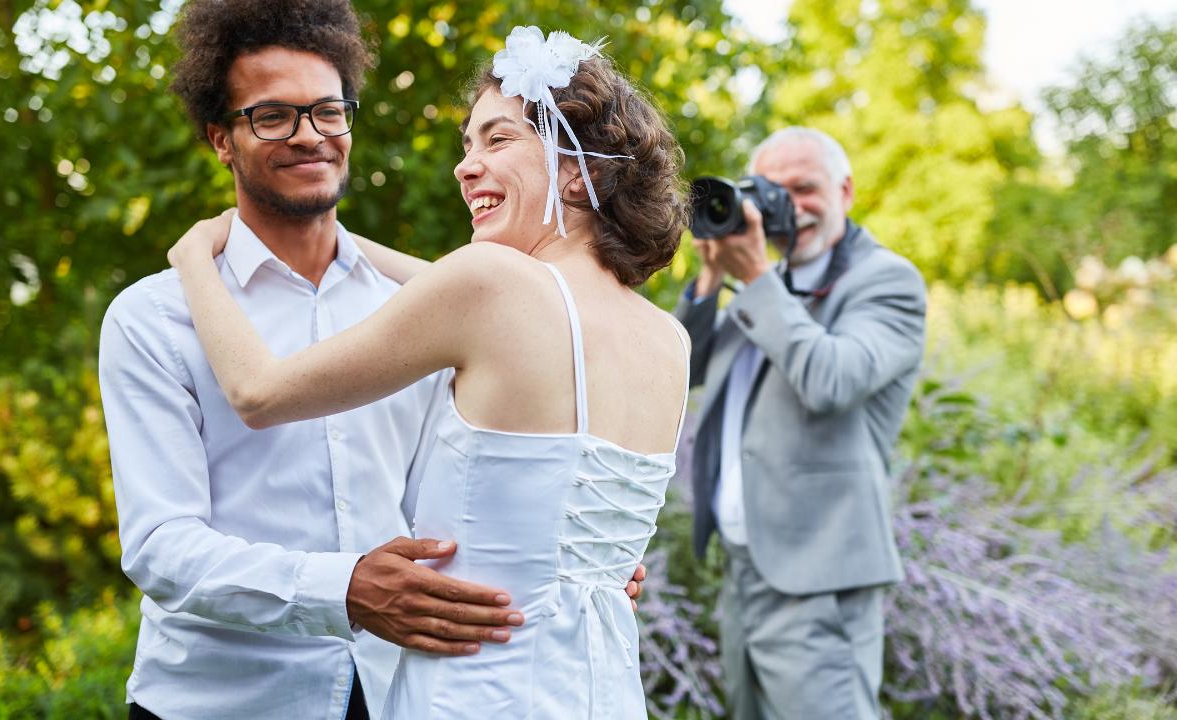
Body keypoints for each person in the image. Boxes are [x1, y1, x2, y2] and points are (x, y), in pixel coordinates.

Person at [164, 25, 690, 719]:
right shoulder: (666, 339)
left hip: (478, 693)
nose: (465, 167)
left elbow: (257, 393)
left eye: (497, 140)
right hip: (602, 691)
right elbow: (459, 295)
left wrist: (196, 257)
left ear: (575, 166)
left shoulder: (489, 289)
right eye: (467, 146)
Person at [99, 3, 537, 719]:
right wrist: (343, 588)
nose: (310, 137)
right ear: (221, 139)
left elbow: (453, 497)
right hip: (222, 703)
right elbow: (162, 547)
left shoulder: (424, 306)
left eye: (328, 112)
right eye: (272, 116)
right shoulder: (156, 319)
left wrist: (568, 555)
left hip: (395, 692)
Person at [674, 126, 927, 719]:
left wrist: (757, 278)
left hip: (821, 583)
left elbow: (831, 380)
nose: (791, 206)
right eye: (771, 190)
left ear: (846, 190)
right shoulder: (771, 284)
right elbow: (677, 372)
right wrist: (713, 279)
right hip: (744, 569)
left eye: (805, 188)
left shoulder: (885, 281)